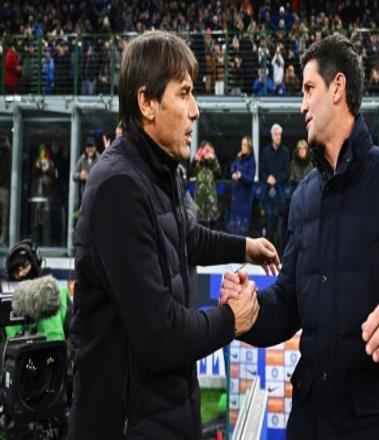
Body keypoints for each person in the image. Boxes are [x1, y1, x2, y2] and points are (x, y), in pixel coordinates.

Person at [220, 33, 379, 439]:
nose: (301, 105)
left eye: (308, 89)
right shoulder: (303, 198)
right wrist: (249, 311)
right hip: (310, 421)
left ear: (337, 87)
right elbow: (288, 302)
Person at [69, 31, 280, 440]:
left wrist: (244, 248)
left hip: (167, 416)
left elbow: (185, 237)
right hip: (128, 425)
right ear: (147, 103)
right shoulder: (118, 187)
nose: (195, 110)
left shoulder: (161, 172)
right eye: (184, 93)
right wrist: (231, 320)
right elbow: (160, 335)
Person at [259, 123, 290, 252]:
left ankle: (280, 252)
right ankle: (268, 251)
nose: (278, 137)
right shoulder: (266, 152)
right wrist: (268, 178)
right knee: (268, 222)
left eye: (280, 135)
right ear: (272, 136)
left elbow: (287, 171)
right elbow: (261, 169)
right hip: (268, 192)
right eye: (276, 134)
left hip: (280, 193)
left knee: (280, 225)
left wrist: (276, 179)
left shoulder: (285, 152)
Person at [228, 136, 256, 235]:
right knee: (233, 227)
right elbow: (233, 167)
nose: (242, 147)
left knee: (243, 228)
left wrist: (241, 176)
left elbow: (250, 178)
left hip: (245, 198)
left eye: (245, 145)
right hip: (236, 196)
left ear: (249, 146)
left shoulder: (252, 160)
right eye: (242, 144)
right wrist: (233, 173)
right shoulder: (239, 158)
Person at [190, 140, 222, 228]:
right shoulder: (198, 164)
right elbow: (190, 173)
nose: (206, 153)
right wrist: (194, 160)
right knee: (200, 225)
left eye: (208, 150)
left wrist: (213, 159)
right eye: (205, 150)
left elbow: (219, 174)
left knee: (212, 226)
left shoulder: (213, 164)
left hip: (211, 202)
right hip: (199, 202)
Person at [73, 136, 100, 204]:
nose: (90, 149)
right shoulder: (82, 159)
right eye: (88, 147)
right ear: (85, 148)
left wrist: (90, 177)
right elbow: (74, 175)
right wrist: (80, 175)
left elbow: (103, 176)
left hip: (96, 194)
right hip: (84, 195)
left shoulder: (99, 159)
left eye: (92, 146)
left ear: (95, 148)